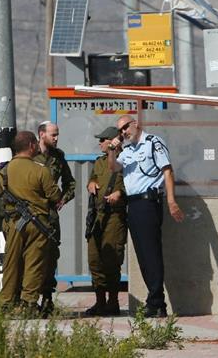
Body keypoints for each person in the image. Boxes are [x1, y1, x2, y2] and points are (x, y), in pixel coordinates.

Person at [108, 115, 184, 318]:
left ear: (136, 124)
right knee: (142, 255)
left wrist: (171, 201)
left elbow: (167, 171)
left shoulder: (153, 142)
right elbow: (114, 167)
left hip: (148, 202)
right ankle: (154, 299)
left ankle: (157, 303)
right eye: (120, 130)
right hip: (133, 204)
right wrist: (111, 151)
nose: (123, 132)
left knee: (151, 253)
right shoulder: (128, 150)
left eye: (126, 127)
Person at [0, 131, 61, 315]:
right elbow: (55, 195)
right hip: (37, 225)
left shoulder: (3, 171)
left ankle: (6, 303)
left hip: (13, 224)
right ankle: (29, 304)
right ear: (32, 146)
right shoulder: (40, 170)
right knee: (34, 263)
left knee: (11, 263)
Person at [84, 126, 127, 316]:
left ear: (112, 141)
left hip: (115, 217)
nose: (99, 143)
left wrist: (121, 193)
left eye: (102, 139)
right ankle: (99, 301)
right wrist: (91, 183)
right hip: (98, 216)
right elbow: (93, 178)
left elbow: (133, 185)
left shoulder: (127, 160)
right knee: (95, 259)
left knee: (112, 260)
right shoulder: (100, 162)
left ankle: (113, 302)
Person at [34, 121, 76, 316]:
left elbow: (70, 184)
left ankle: (47, 299)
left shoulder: (58, 157)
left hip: (50, 216)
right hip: (32, 216)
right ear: (42, 134)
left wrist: (63, 200)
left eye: (57, 134)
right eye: (53, 135)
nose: (56, 138)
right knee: (33, 257)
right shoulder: (29, 155)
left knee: (51, 256)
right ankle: (29, 299)